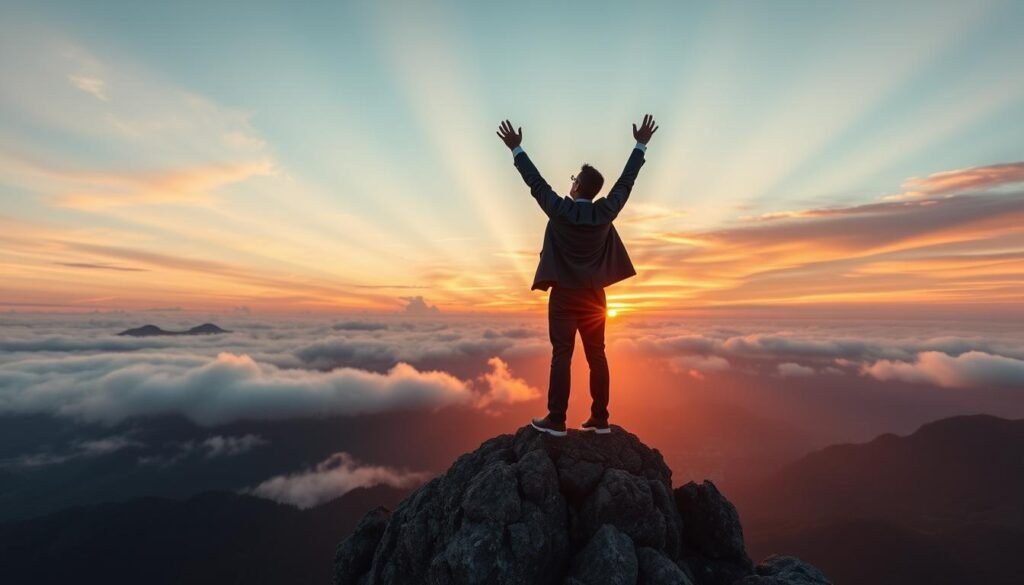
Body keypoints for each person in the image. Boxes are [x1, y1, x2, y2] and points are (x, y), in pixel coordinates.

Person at [496, 114, 658, 437]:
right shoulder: (605, 211)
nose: (570, 182)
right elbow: (626, 183)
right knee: (597, 355)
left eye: (573, 178)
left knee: (562, 354)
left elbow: (535, 183)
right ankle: (600, 418)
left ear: (577, 186)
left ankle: (557, 419)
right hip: (595, 297)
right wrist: (640, 145)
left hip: (565, 297)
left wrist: (517, 150)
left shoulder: (560, 210)